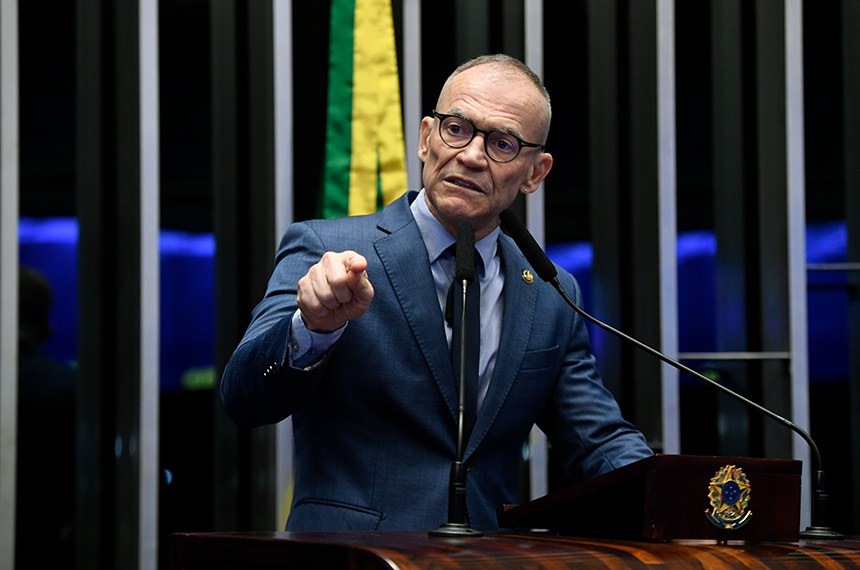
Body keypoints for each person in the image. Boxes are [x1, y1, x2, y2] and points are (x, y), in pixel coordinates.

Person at [221, 53, 653, 532]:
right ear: (426, 138)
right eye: (456, 129)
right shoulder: (328, 248)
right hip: (354, 561)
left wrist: (675, 497)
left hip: (487, 563)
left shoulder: (552, 293)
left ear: (535, 172)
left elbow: (599, 442)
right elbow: (243, 397)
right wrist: (312, 328)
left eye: (502, 143)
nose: (470, 155)